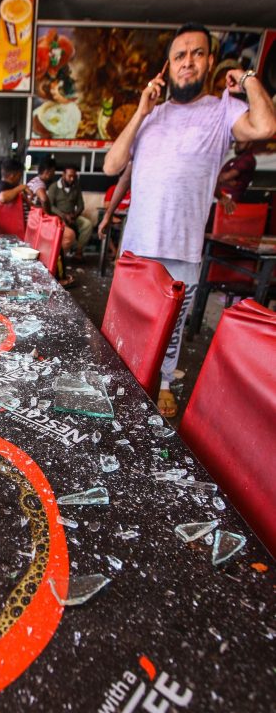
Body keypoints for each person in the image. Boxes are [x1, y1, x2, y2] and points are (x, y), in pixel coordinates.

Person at [104, 22, 275, 417]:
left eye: (197, 54)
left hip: (182, 245)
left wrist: (248, 78)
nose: (188, 63)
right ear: (167, 65)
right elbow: (114, 165)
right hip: (137, 243)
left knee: (172, 326)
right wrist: (142, 110)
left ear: (210, 62)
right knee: (125, 322)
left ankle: (164, 381)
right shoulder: (150, 115)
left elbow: (266, 125)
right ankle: (117, 380)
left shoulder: (222, 111)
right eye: (179, 56)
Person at [47, 166, 94, 261]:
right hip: (58, 217)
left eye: (74, 176)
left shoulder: (76, 188)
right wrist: (64, 216)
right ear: (63, 175)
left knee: (87, 224)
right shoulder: (54, 187)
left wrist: (74, 215)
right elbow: (50, 206)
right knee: (68, 233)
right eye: (69, 176)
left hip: (72, 216)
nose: (72, 179)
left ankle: (78, 250)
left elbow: (81, 206)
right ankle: (70, 251)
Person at [214, 140, 256, 213]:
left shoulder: (248, 159)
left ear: (250, 144)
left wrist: (221, 179)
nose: (237, 144)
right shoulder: (232, 160)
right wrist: (222, 180)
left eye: (241, 142)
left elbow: (224, 177)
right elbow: (220, 177)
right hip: (217, 198)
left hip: (230, 204)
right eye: (236, 142)